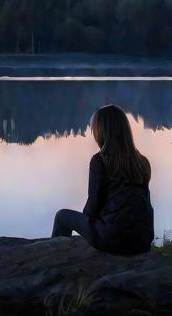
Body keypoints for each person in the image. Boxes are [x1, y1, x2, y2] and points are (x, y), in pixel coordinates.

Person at [51, 104, 154, 255]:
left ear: (102, 131)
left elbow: (93, 205)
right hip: (142, 242)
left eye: (95, 129)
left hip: (112, 240)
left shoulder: (100, 161)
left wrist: (86, 224)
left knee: (62, 217)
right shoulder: (142, 162)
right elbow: (147, 206)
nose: (93, 133)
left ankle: (55, 260)